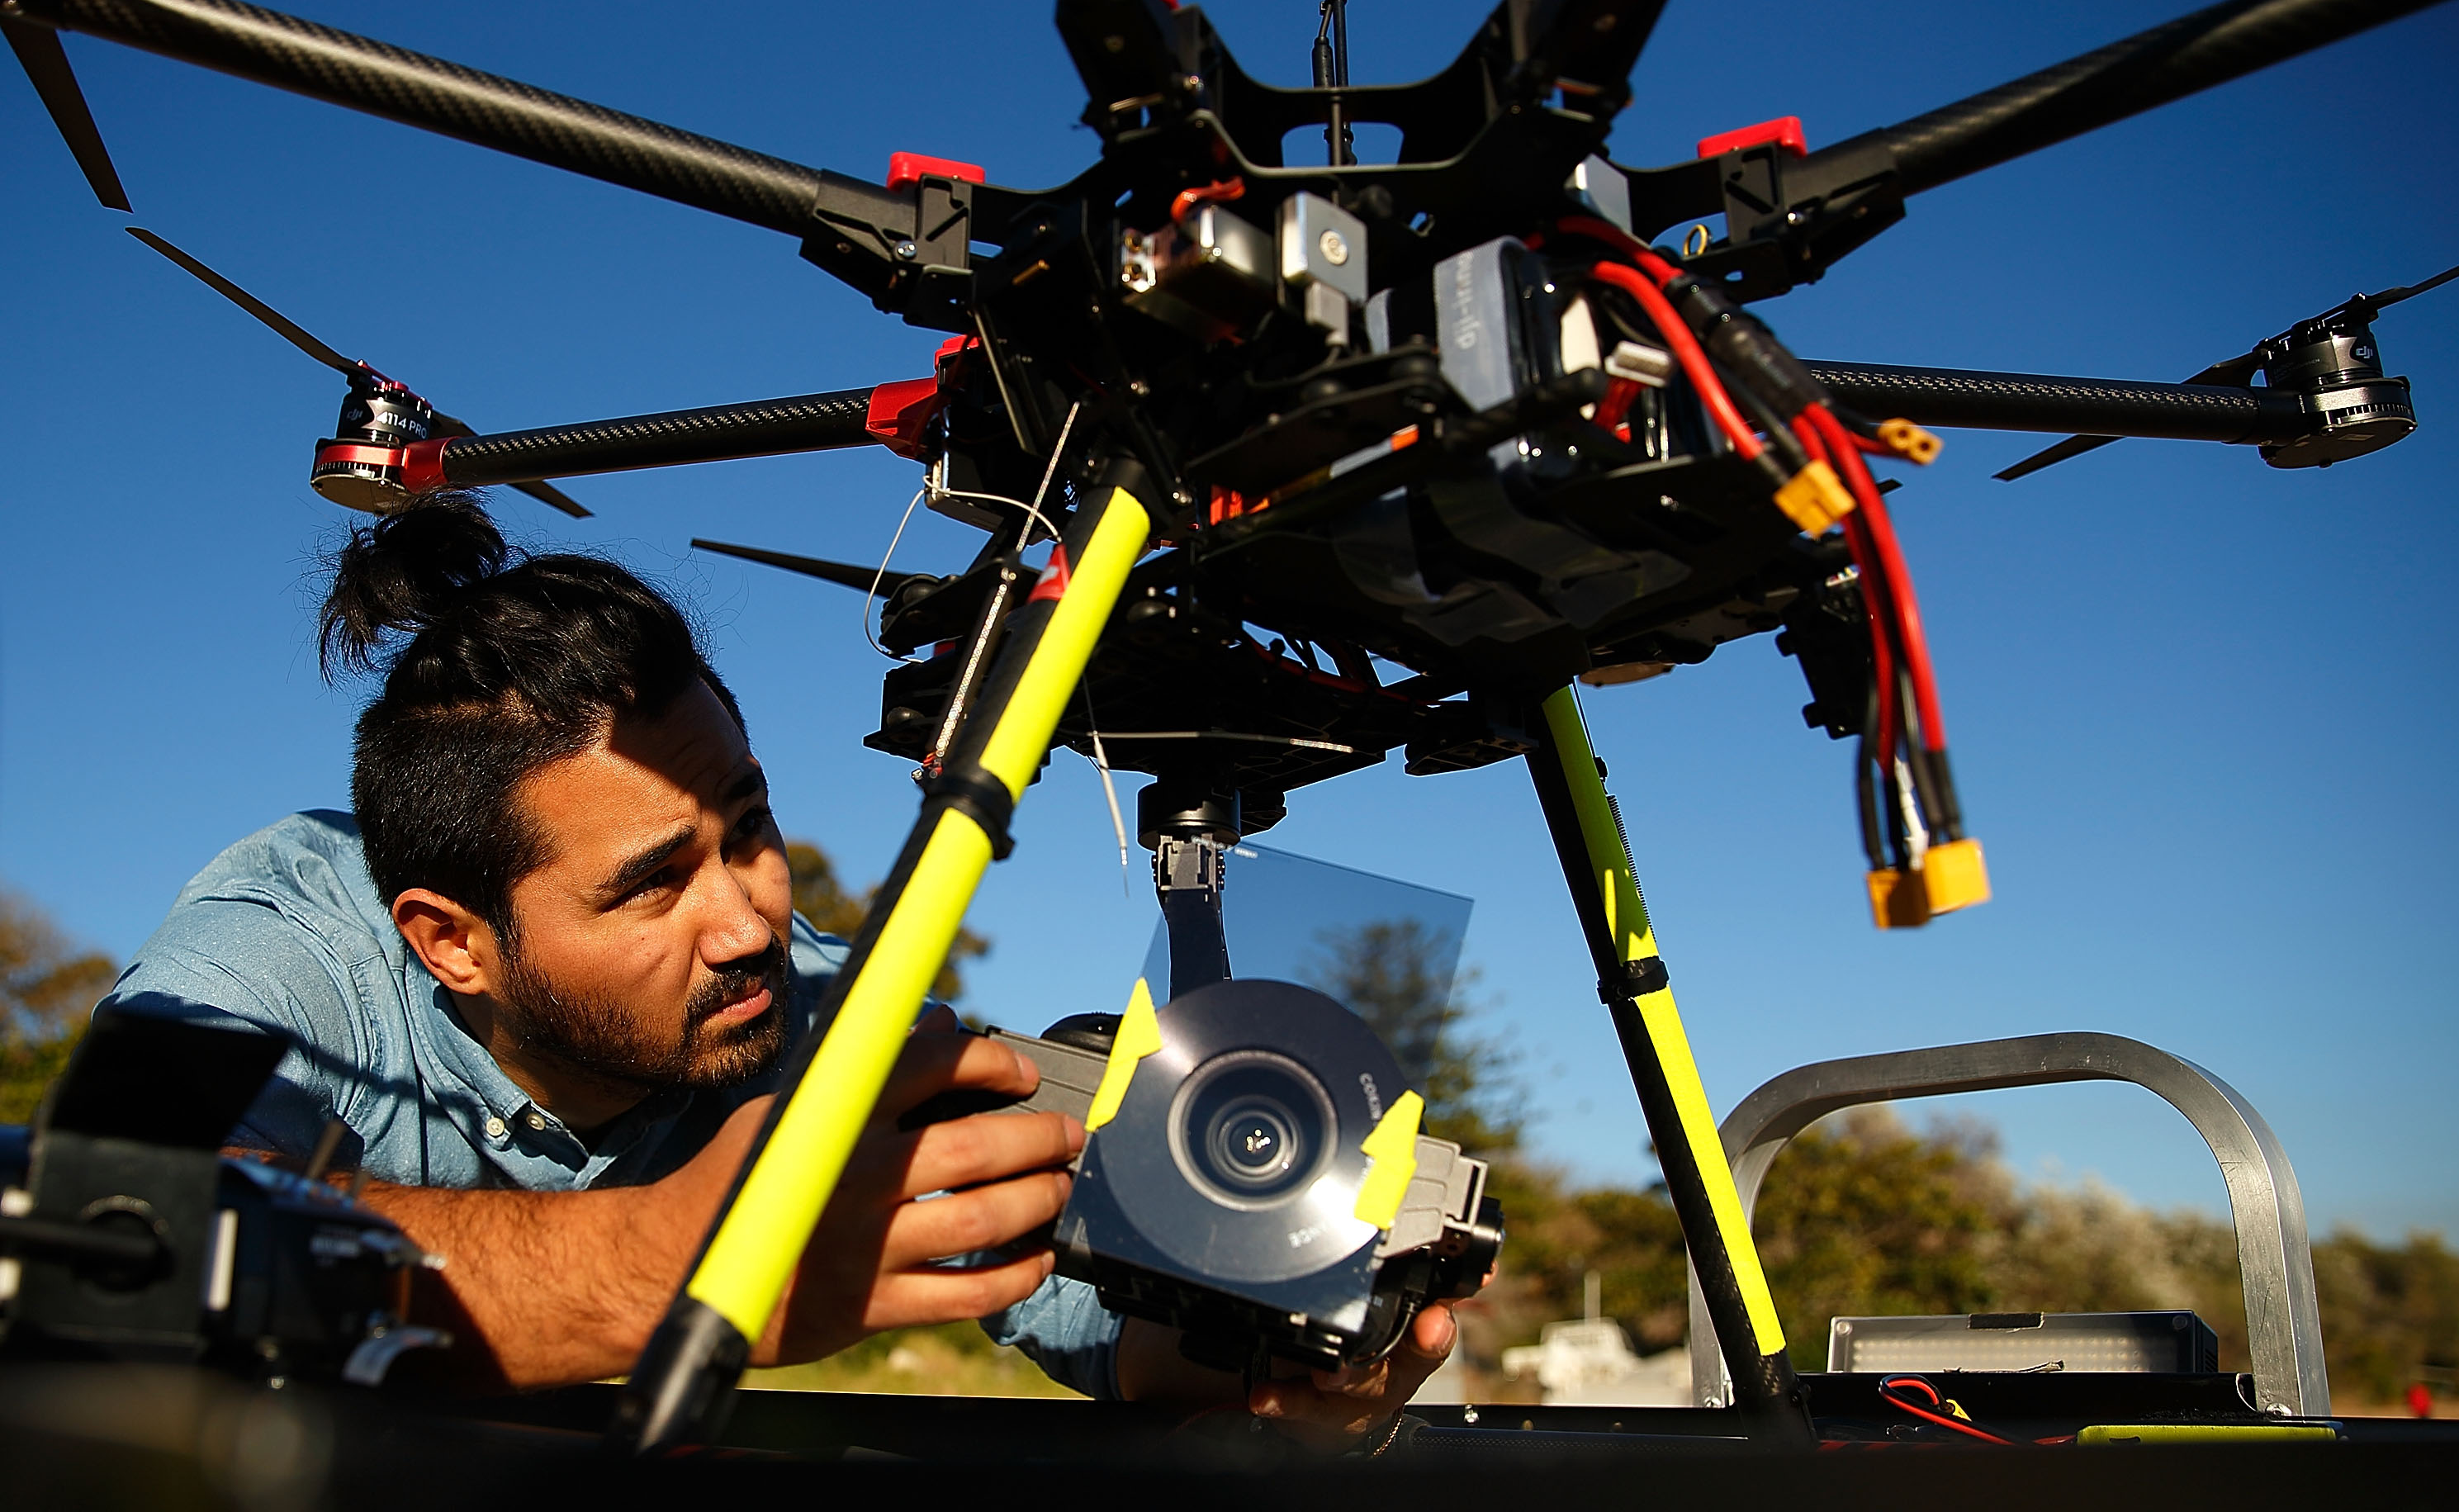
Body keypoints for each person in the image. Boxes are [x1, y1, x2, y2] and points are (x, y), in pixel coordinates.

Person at [103, 493, 1456, 1439]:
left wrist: (1279, 1361)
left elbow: (1109, 1329)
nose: (750, 919)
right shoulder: (289, 941)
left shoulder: (824, 1013)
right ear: (448, 939)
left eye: (748, 829)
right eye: (649, 886)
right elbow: (119, 1235)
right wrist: (650, 1266)